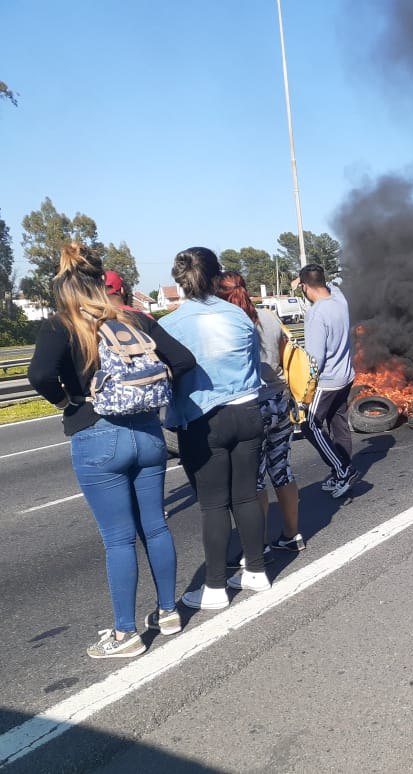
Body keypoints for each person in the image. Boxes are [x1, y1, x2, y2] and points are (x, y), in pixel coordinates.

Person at [28, 243, 196, 658]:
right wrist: (152, 388)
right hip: (148, 433)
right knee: (155, 527)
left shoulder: (62, 324)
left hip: (98, 435)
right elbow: (184, 360)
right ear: (102, 282)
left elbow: (39, 374)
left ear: (64, 287)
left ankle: (125, 634)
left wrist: (67, 401)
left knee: (119, 539)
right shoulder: (134, 318)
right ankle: (168, 612)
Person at [160, 247, 269, 609]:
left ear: (180, 281)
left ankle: (215, 588)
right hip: (248, 410)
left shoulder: (170, 325)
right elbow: (254, 360)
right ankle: (256, 571)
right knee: (246, 496)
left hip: (204, 419)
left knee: (213, 505)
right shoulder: (239, 316)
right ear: (216, 276)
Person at [216, 271, 304, 552]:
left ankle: (258, 546)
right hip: (279, 399)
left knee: (253, 479)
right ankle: (292, 535)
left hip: (252, 405)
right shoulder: (268, 316)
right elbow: (284, 353)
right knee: (282, 469)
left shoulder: (226, 323)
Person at [294, 264, 359, 499]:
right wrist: (313, 279)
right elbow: (333, 286)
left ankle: (342, 470)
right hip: (346, 376)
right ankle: (342, 469)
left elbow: (315, 359)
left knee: (309, 425)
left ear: (304, 287)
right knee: (338, 424)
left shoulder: (316, 313)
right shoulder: (340, 300)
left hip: (327, 381)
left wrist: (304, 390)